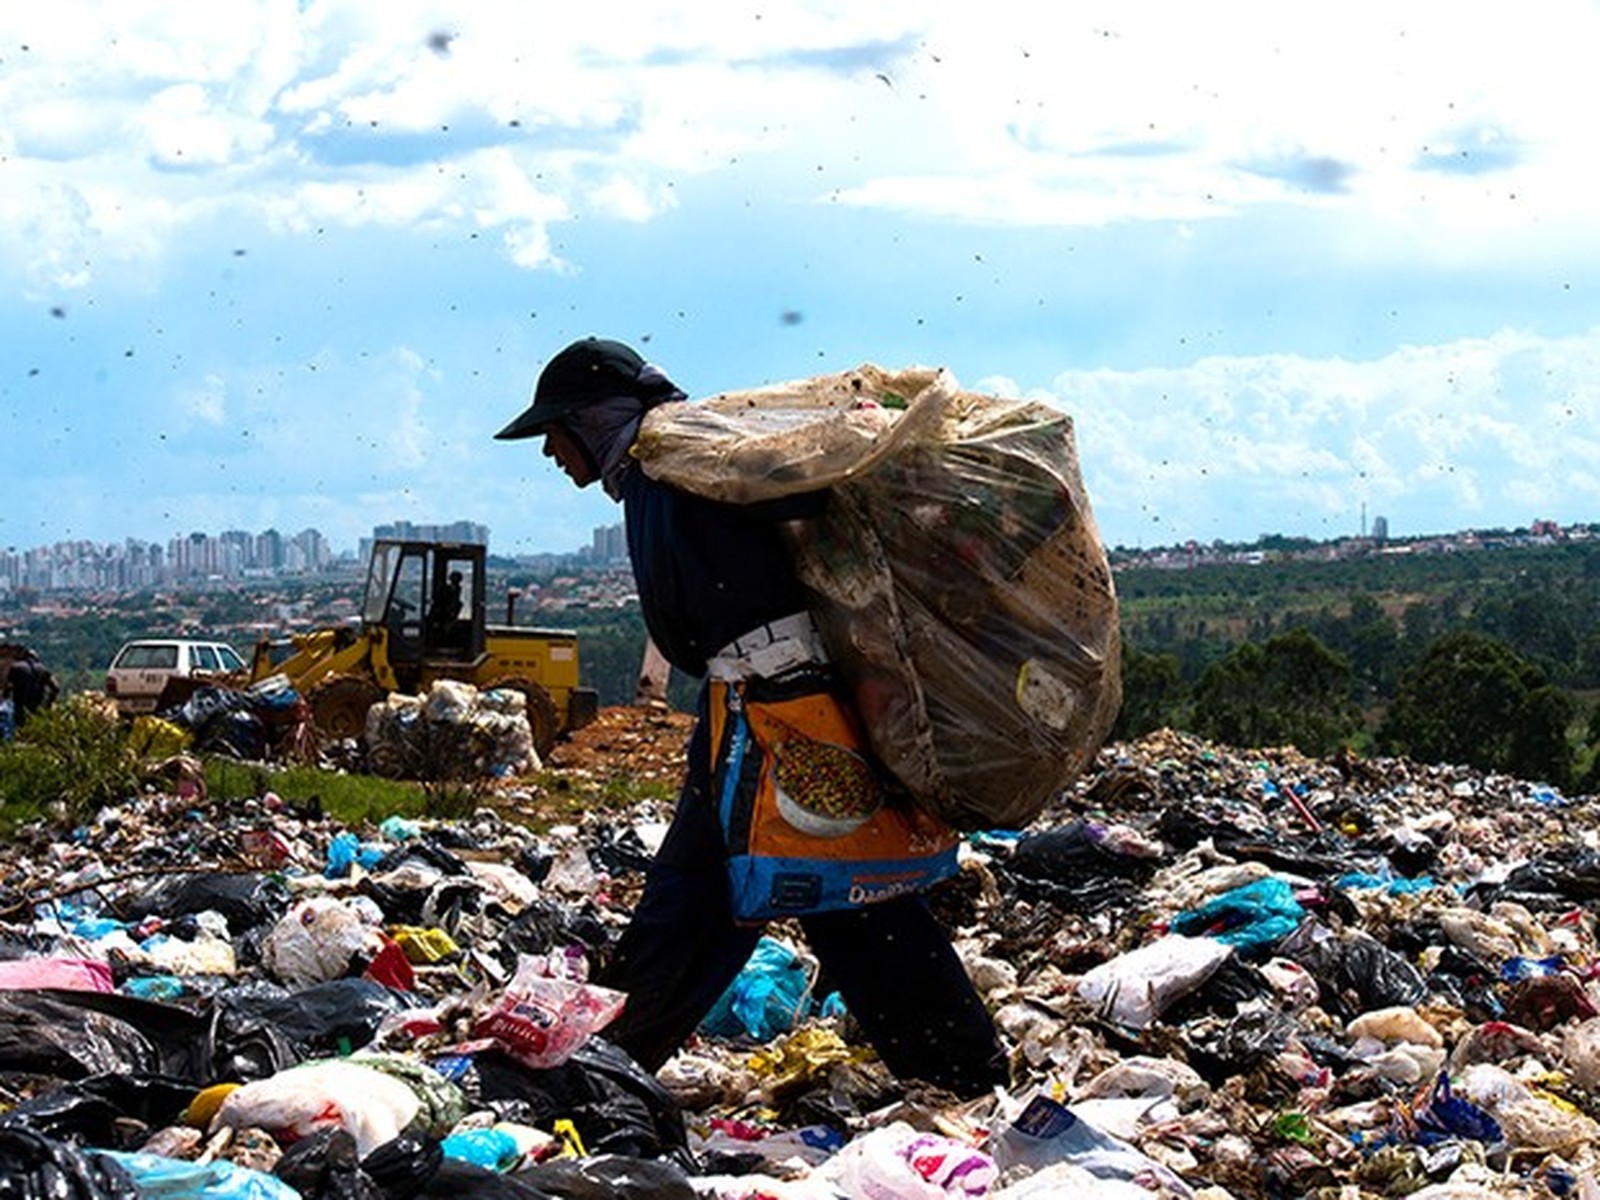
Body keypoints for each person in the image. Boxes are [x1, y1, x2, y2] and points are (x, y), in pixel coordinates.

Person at [497, 337, 1007, 1097]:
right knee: (703, 895)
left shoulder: (684, 462)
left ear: (593, 417)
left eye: (553, 433)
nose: (550, 454)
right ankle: (611, 1067)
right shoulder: (659, 471)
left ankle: (966, 1073)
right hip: (745, 712)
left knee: (848, 899)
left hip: (790, 713)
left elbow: (813, 502)